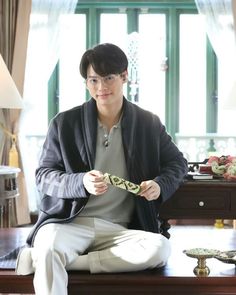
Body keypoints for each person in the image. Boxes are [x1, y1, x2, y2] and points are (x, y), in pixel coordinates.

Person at [16, 43, 188, 295]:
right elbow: (44, 176)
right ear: (86, 82)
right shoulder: (64, 123)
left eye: (108, 78)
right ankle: (50, 255)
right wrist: (81, 182)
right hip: (69, 223)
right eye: (93, 80)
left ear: (124, 76)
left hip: (120, 228)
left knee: (159, 249)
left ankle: (58, 260)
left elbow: (178, 163)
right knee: (50, 243)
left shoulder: (148, 124)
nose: (101, 87)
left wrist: (160, 184)